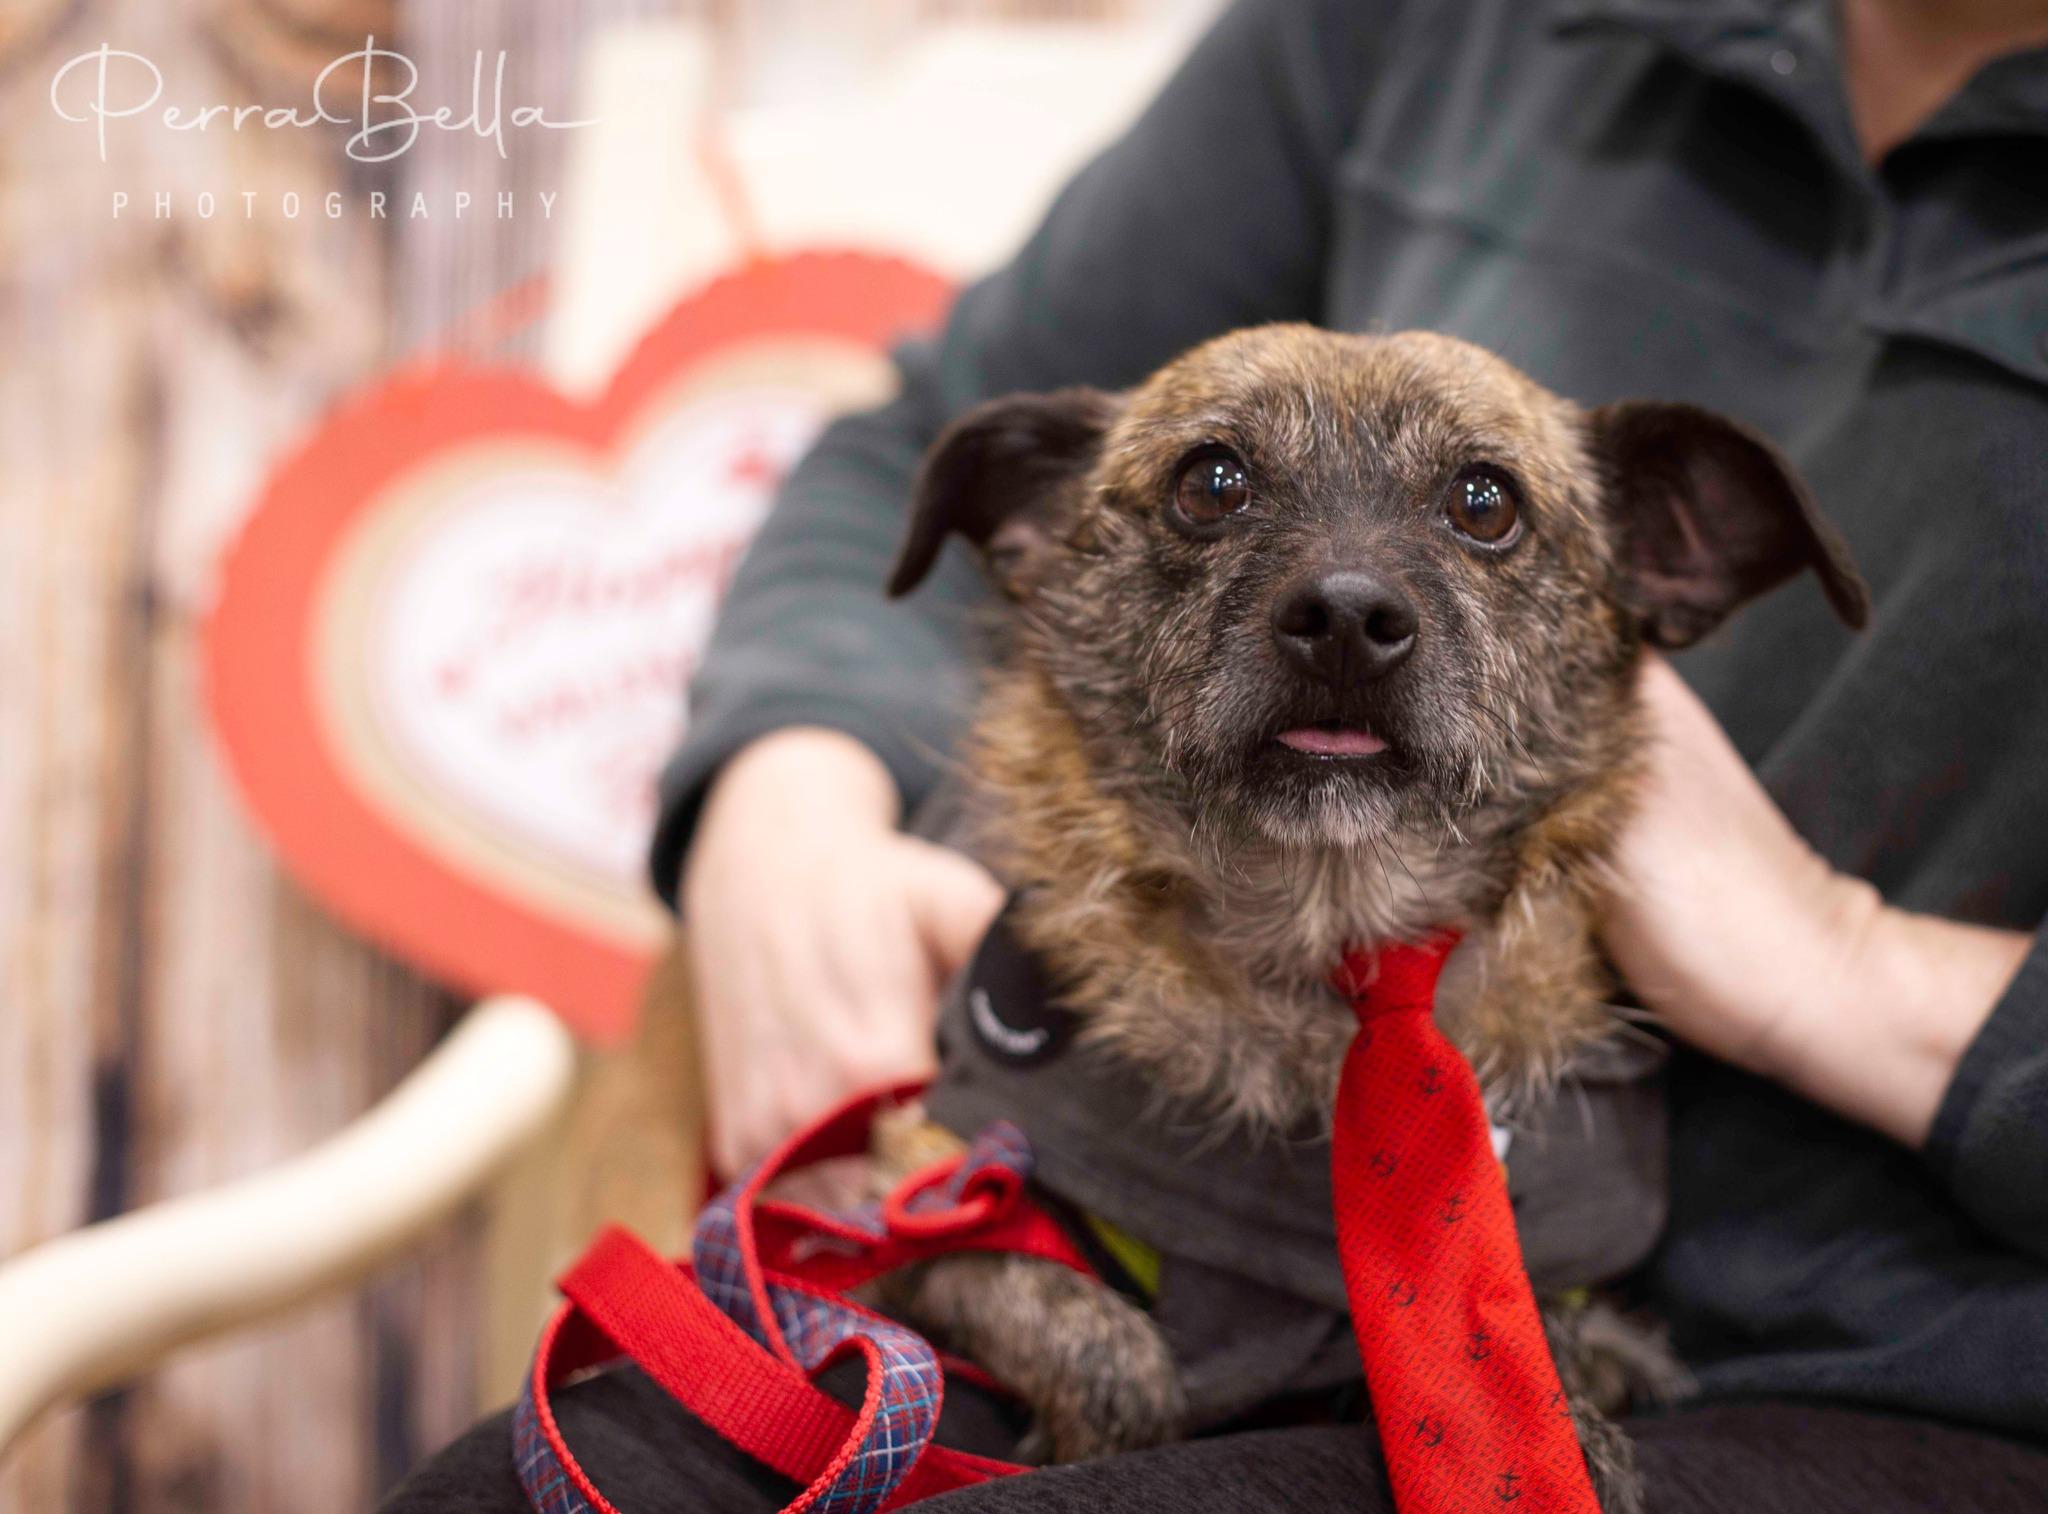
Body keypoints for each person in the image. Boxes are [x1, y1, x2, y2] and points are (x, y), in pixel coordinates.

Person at [386, 1, 2048, 1508]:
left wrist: (1847, 962)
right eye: (1215, 492)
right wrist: (789, 794)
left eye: (1479, 507)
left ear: (1677, 557)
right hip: (1160, 1145)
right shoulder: (1425, 33)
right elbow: (910, 434)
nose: (1345, 594)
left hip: (1900, 1362)